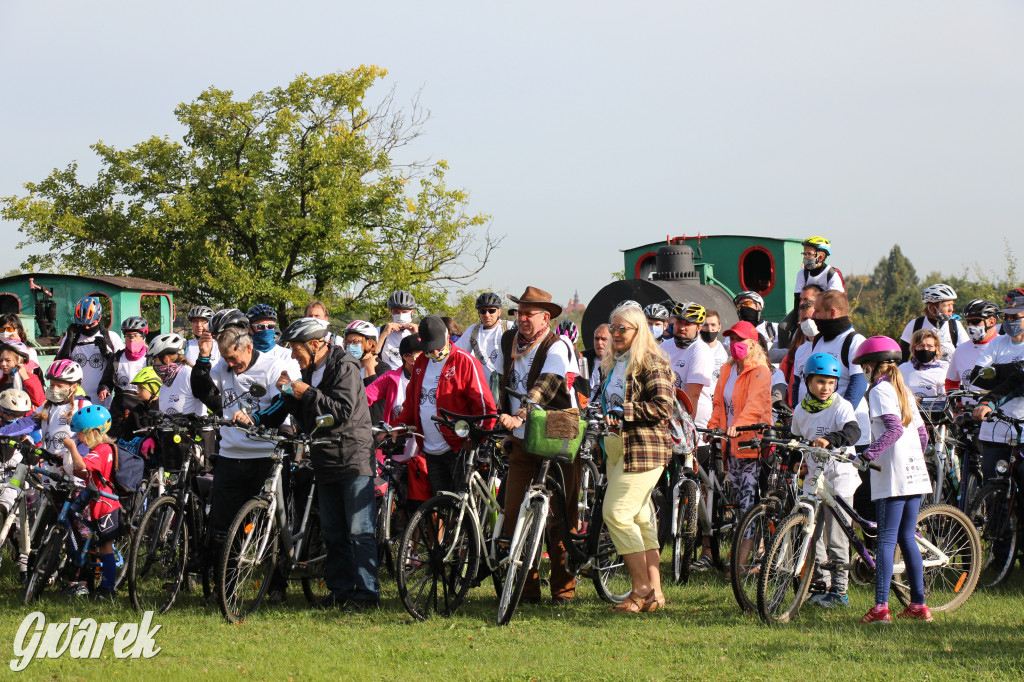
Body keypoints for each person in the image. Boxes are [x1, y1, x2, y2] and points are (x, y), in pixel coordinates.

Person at [243, 317, 379, 610]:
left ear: (315, 344)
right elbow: (291, 405)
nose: (292, 355)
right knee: (333, 532)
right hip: (324, 456)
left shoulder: (345, 367)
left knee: (358, 531)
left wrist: (305, 391)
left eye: (296, 348)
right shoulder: (309, 368)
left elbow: (342, 410)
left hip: (353, 457)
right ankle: (340, 591)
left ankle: (367, 595)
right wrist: (258, 418)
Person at [190, 324, 299, 603]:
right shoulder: (225, 367)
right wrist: (204, 357)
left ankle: (276, 586)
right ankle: (225, 588)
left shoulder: (275, 367)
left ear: (249, 347)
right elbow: (202, 388)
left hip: (266, 457)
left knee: (270, 524)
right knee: (222, 527)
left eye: (233, 358)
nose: (230, 364)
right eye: (225, 358)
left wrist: (256, 420)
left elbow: (284, 403)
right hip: (229, 455)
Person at [497, 286, 581, 604]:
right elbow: (503, 381)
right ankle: (525, 591)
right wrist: (504, 421)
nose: (522, 319)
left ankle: (563, 590)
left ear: (546, 317)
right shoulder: (509, 342)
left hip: (558, 428)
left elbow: (545, 384)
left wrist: (523, 412)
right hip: (522, 436)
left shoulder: (557, 346)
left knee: (561, 516)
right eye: (519, 313)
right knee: (515, 513)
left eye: (529, 313)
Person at [596, 302, 673, 613]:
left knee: (615, 513)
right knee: (640, 519)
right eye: (612, 328)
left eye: (622, 329)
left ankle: (640, 587)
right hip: (616, 449)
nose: (615, 333)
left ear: (638, 331)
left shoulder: (651, 363)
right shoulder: (615, 363)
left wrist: (624, 412)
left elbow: (663, 407)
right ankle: (655, 592)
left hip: (643, 450)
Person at [851, 336, 933, 624]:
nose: (863, 371)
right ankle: (919, 605)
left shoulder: (879, 390)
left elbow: (894, 429)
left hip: (894, 476)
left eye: (864, 366)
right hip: (914, 472)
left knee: (885, 539)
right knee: (907, 538)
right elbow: (921, 434)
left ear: (872, 366)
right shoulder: (904, 390)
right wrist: (914, 457)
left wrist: (866, 456)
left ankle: (881, 607)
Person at [699, 321, 771, 572]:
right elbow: (719, 404)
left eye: (739, 340)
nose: (734, 345)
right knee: (738, 503)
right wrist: (713, 428)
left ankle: (739, 565)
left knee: (747, 503)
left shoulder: (760, 371)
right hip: (731, 447)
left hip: (751, 447)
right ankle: (742, 558)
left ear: (752, 344)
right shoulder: (728, 369)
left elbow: (755, 404)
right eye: (731, 340)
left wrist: (738, 426)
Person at [394, 316, 496, 494]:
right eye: (429, 348)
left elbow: (485, 407)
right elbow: (411, 403)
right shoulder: (420, 362)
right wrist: (397, 427)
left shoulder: (465, 361)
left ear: (448, 336)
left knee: (462, 508)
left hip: (458, 448)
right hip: (431, 450)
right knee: (441, 508)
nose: (434, 351)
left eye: (438, 346)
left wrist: (475, 439)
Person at [790, 353, 861, 608]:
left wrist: (831, 438)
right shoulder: (800, 410)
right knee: (811, 532)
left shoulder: (841, 405)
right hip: (813, 477)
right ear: (807, 381)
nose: (826, 388)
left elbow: (854, 431)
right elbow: (796, 442)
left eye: (831, 383)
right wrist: (794, 461)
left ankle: (840, 590)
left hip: (839, 476)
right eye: (821, 382)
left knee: (837, 536)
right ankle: (820, 582)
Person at [365, 334, 432, 510]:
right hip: (393, 451)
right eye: (416, 354)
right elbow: (365, 397)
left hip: (421, 451)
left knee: (419, 502)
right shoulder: (391, 378)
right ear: (405, 357)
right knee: (390, 499)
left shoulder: (430, 378)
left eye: (425, 354)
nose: (421, 358)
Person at [65, 405, 122, 600]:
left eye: (81, 434)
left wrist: (72, 448)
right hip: (97, 502)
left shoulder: (102, 449)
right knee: (98, 545)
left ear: (94, 432)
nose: (78, 438)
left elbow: (82, 464)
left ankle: (108, 589)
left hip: (105, 505)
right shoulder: (99, 449)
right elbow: (87, 471)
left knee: (105, 547)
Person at [970, 289, 1024, 483]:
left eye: (1015, 316)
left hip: (1021, 430)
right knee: (994, 493)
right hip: (995, 430)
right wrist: (1014, 370)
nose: (1009, 321)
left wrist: (999, 371)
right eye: (1006, 317)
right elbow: (977, 377)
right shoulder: (997, 343)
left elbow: (1018, 381)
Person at [54, 296, 124, 405]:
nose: (86, 328)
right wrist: (68, 340)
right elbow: (58, 366)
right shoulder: (72, 338)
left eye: (90, 324)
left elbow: (122, 366)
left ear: (99, 318)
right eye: (82, 325)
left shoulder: (111, 337)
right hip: (75, 400)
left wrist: (107, 354)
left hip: (102, 401)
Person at [660, 302, 713, 424]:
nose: (682, 328)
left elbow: (692, 395)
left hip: (694, 423)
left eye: (688, 324)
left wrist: (687, 429)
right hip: (668, 420)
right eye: (679, 322)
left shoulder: (700, 350)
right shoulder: (663, 347)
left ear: (699, 328)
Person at [455, 292, 510, 394]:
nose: (487, 315)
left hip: (505, 388)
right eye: (483, 311)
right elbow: (456, 354)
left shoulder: (508, 328)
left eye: (491, 311)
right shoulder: (473, 331)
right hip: (482, 389)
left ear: (499, 311)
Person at [104, 316, 149, 434]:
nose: (131, 340)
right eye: (128, 336)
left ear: (143, 336)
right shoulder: (117, 357)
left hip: (142, 408)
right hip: (120, 408)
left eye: (134, 336)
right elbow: (106, 380)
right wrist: (104, 388)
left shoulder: (150, 358)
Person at [899, 284, 966, 363]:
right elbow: (902, 358)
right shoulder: (915, 324)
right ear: (932, 308)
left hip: (947, 374)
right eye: (946, 305)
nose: (951, 309)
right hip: (921, 374)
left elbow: (966, 354)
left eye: (952, 305)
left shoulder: (955, 326)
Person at [793, 236, 844, 311]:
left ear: (820, 257)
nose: (805, 257)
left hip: (826, 311)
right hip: (804, 310)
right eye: (804, 254)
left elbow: (834, 302)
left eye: (809, 254)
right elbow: (797, 299)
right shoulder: (802, 273)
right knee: (784, 323)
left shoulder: (831, 274)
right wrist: (798, 319)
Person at [898, 329, 947, 398]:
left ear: (937, 349)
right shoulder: (902, 369)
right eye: (921, 346)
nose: (926, 349)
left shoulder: (944, 369)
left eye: (930, 346)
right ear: (913, 349)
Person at [377, 290, 419, 371]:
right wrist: (384, 334)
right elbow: (372, 354)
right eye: (396, 312)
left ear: (412, 312)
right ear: (390, 312)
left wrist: (416, 336)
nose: (400, 316)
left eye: (404, 312)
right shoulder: (379, 331)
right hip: (387, 378)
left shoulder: (421, 331)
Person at [0, 340, 44, 407]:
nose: (3, 364)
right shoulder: (2, 381)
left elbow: (40, 402)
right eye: (1, 360)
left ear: (20, 361)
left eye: (8, 360)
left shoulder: (31, 379)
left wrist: (26, 379)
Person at [584, 323, 612, 396]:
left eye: (604, 339)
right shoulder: (583, 359)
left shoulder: (619, 362)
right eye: (597, 338)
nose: (599, 343)